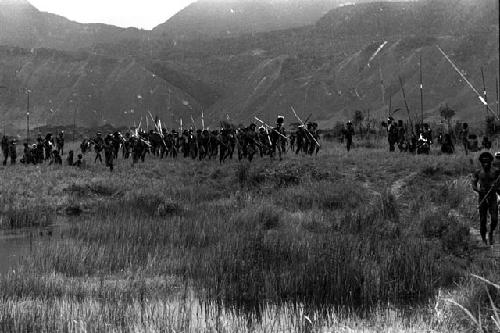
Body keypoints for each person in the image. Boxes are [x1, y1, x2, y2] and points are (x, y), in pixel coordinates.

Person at [472, 152, 499, 245]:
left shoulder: (496, 171)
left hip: (492, 197)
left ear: (491, 161)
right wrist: (479, 191)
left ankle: (491, 232)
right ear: (481, 162)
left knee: (495, 218)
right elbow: (473, 184)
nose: (485, 163)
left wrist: (496, 187)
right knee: (482, 220)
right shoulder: (478, 172)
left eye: (487, 161)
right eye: (483, 162)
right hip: (482, 197)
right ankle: (484, 238)